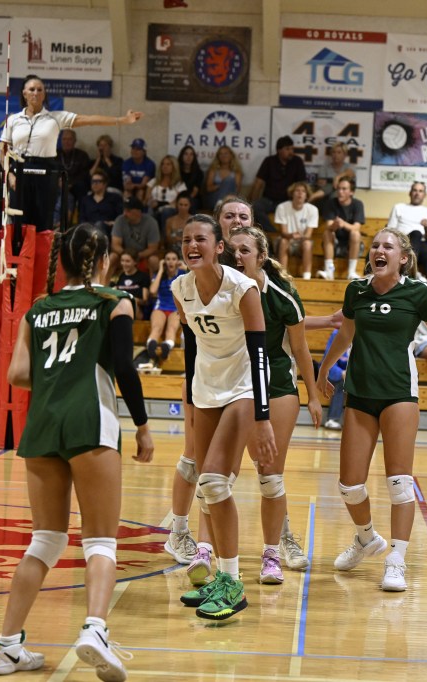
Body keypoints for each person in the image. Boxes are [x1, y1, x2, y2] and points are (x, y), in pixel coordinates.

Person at [0, 223, 153, 678]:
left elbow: (17, 374)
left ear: (60, 262)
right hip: (88, 420)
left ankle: (5, 646)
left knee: (45, 540)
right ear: (103, 260)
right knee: (100, 539)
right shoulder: (113, 300)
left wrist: (57, 374)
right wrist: (142, 425)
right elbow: (123, 366)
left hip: (41, 424)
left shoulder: (37, 311)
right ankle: (94, 629)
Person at [315, 227, 427, 592]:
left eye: (387, 247)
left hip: (398, 394)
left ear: (403, 258)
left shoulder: (417, 291)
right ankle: (366, 539)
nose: (378, 250)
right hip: (359, 393)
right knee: (349, 486)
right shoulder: (356, 290)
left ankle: (396, 560)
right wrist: (322, 369)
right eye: (375, 245)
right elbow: (345, 334)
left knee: (399, 483)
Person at [172, 214, 277, 620]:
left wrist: (262, 416)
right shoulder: (180, 288)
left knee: (215, 483)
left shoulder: (242, 288)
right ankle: (219, 578)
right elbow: (191, 347)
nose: (191, 246)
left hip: (244, 388)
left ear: (220, 247)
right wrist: (193, 401)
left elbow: (260, 354)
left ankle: (231, 582)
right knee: (205, 484)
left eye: (200, 239)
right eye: (186, 240)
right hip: (206, 390)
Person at [229, 226, 322, 584]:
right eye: (232, 250)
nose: (237, 257)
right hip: (234, 389)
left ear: (261, 257)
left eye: (245, 250)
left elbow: (300, 349)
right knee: (220, 476)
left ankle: (272, 554)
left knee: (270, 474)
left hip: (278, 386)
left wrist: (313, 395)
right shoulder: (221, 291)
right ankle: (218, 555)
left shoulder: (283, 296)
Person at [2, 75, 141, 232]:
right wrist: (9, 175)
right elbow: (4, 152)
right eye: (32, 89)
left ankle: (41, 256)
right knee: (18, 223)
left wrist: (122, 120)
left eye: (40, 90)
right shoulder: (13, 120)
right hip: (19, 171)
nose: (36, 93)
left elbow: (88, 119)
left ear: (44, 94)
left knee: (42, 224)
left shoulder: (55, 118)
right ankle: (18, 256)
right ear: (24, 93)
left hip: (46, 172)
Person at [251, 136, 307, 232]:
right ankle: (272, 232)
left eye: (292, 149)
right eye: (287, 149)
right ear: (279, 150)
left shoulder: (297, 161)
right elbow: (258, 183)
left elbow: (302, 184)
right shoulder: (269, 161)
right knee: (255, 207)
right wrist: (250, 202)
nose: (291, 152)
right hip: (269, 200)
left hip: (287, 200)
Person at [387, 182, 427, 283]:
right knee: (416, 233)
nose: (417, 193)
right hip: (401, 243)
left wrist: (426, 227)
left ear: (424, 195)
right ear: (410, 193)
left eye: (420, 191)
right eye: (415, 190)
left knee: (426, 247)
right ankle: (412, 270)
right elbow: (390, 231)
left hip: (421, 244)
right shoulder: (399, 207)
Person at [144, 250, 185, 368]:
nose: (170, 261)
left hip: (176, 308)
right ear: (164, 262)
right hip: (161, 307)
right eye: (167, 259)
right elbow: (152, 291)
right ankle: (151, 348)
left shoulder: (183, 274)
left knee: (171, 329)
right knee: (157, 328)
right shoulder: (160, 275)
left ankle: (166, 347)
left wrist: (187, 268)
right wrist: (161, 270)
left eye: (173, 259)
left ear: (178, 261)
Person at [318, 177, 364, 280]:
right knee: (327, 233)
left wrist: (343, 224)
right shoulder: (331, 203)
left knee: (355, 233)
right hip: (335, 242)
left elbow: (357, 227)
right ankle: (329, 270)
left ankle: (351, 272)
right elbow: (329, 225)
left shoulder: (358, 204)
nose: (340, 192)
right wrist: (335, 224)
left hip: (352, 244)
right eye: (338, 189)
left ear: (351, 192)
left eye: (344, 189)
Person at [274, 181, 318, 278]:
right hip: (287, 239)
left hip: (302, 242)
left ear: (306, 195)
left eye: (303, 191)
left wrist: (300, 236)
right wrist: (292, 235)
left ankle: (307, 276)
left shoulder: (313, 209)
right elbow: (283, 232)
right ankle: (283, 276)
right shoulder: (282, 207)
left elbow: (308, 235)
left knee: (308, 243)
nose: (300, 193)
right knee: (283, 241)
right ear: (292, 193)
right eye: (297, 190)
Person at [110, 196, 161, 275]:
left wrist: (136, 256)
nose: (125, 213)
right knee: (112, 257)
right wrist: (127, 256)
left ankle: (153, 286)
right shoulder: (120, 220)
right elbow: (115, 245)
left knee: (153, 260)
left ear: (138, 211)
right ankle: (105, 284)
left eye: (128, 211)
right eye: (124, 210)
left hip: (143, 255)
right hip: (124, 254)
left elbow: (152, 248)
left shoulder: (151, 222)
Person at [57, 129, 92, 222]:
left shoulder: (82, 155)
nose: (66, 142)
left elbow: (85, 174)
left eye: (70, 139)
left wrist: (70, 183)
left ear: (74, 141)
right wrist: (58, 181)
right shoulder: (55, 154)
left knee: (82, 187)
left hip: (76, 185)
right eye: (64, 139)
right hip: (58, 185)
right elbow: (52, 171)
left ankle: (81, 221)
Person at [79, 170, 124, 237]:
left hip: (109, 228)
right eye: (93, 181)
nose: (94, 184)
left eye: (98, 181)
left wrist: (113, 222)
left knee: (99, 224)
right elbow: (82, 218)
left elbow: (120, 216)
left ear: (105, 183)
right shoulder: (85, 200)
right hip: (89, 229)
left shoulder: (115, 198)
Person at [322, 327, 350, 431]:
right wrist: (341, 373)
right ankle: (333, 419)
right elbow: (328, 361)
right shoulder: (337, 334)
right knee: (340, 381)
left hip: (357, 372)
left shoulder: (365, 334)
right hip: (338, 372)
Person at [147, 155, 187, 226]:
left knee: (166, 211)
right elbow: (147, 197)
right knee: (149, 210)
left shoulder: (180, 184)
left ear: (174, 166)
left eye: (168, 164)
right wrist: (151, 202)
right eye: (163, 164)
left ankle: (165, 235)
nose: (165, 166)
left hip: (171, 210)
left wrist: (161, 205)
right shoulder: (153, 181)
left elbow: (178, 202)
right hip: (154, 209)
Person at [112, 250, 150, 320]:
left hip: (136, 309)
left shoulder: (143, 277)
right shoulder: (119, 276)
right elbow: (113, 293)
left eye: (127, 261)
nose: (124, 264)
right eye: (122, 261)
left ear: (135, 262)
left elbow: (145, 301)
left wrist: (131, 299)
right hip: (119, 307)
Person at [203, 145, 243, 212]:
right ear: (218, 157)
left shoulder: (237, 172)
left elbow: (236, 190)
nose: (223, 156)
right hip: (213, 199)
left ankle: (221, 205)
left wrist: (220, 185)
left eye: (226, 153)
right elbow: (208, 189)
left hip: (230, 199)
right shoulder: (213, 170)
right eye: (221, 154)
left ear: (231, 155)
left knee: (229, 181)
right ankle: (221, 205)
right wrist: (222, 186)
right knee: (228, 181)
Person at [122, 138, 155, 204]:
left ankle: (138, 212)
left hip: (144, 189)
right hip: (131, 188)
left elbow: (143, 184)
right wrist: (129, 185)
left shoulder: (150, 164)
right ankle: (126, 211)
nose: (134, 151)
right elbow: (127, 181)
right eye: (133, 148)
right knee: (126, 193)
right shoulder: (126, 163)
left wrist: (134, 185)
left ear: (144, 152)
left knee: (140, 192)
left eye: (138, 149)